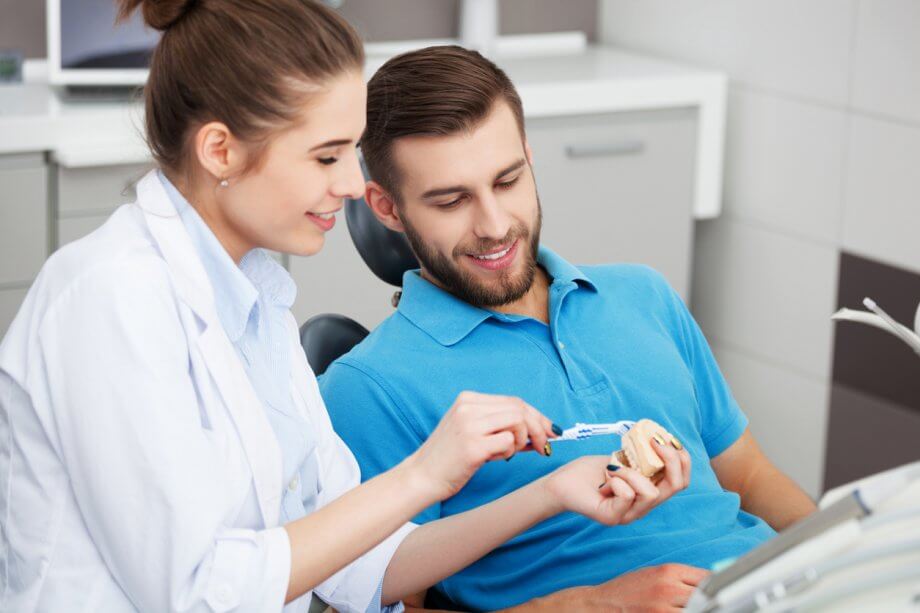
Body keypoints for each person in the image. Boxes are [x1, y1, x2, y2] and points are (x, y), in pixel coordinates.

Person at [0, 3, 690, 612]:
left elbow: (363, 564)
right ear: (220, 151)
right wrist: (425, 472)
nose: (356, 186)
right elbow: (200, 595)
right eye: (327, 156)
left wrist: (551, 491)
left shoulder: (254, 300)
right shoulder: (110, 298)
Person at [320, 45, 818, 611]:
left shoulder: (643, 294)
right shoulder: (368, 387)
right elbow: (391, 600)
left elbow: (748, 475)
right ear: (386, 208)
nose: (495, 225)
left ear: (530, 159)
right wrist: (589, 605)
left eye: (507, 181)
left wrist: (840, 551)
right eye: (452, 199)